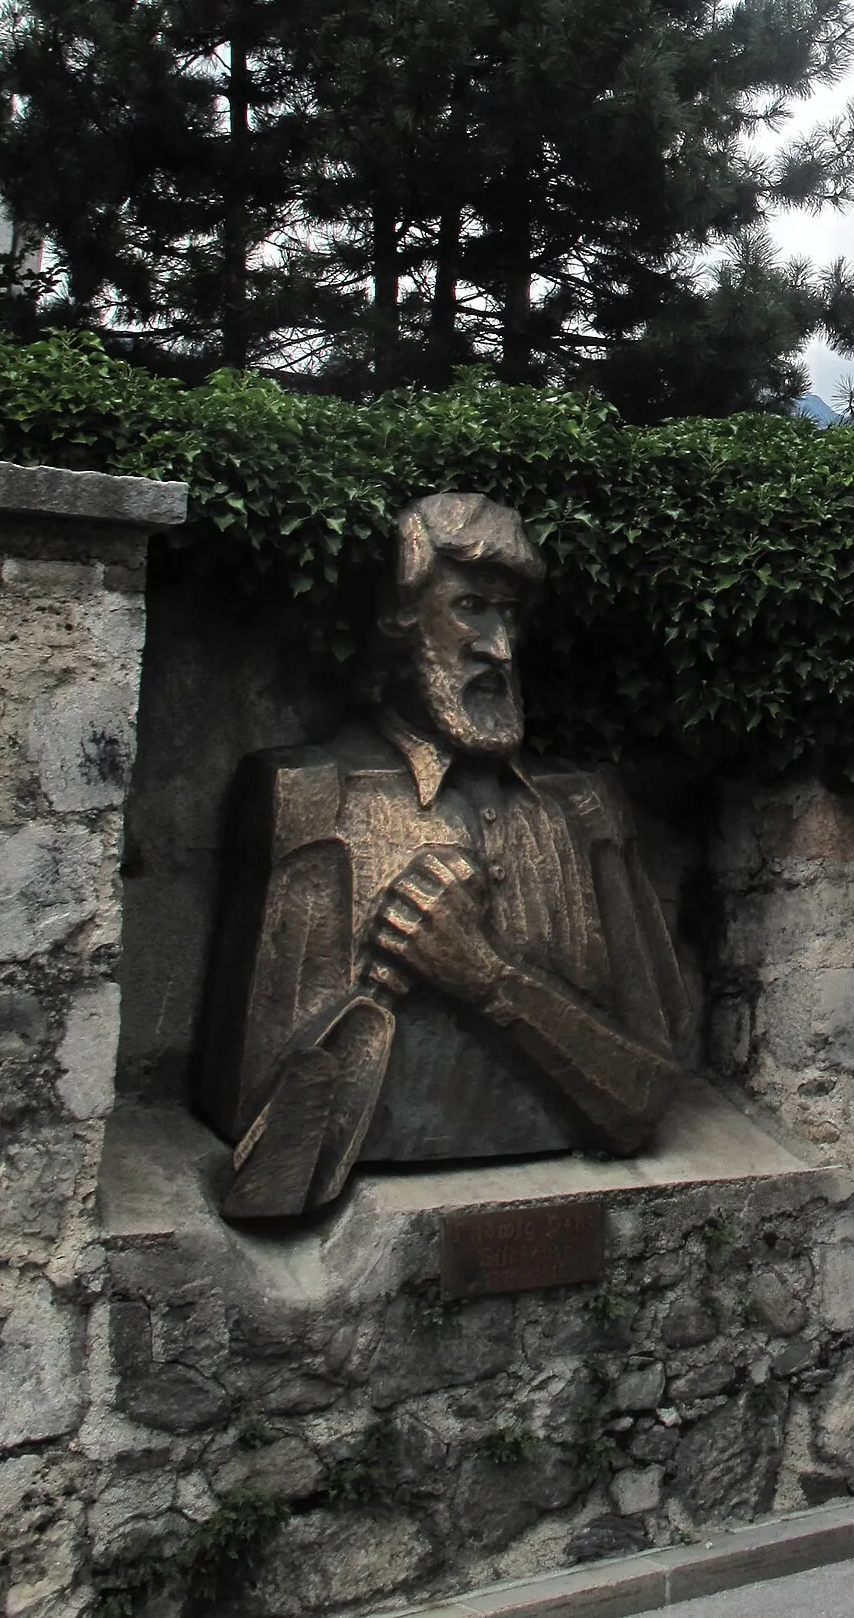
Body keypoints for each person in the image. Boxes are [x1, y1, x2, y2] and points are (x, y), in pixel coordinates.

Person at [195, 492, 690, 1221]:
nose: (501, 648)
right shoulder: (311, 801)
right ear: (399, 622)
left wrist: (486, 977)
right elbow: (267, 1143)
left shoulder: (582, 807)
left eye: (511, 614)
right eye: (471, 608)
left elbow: (644, 1095)